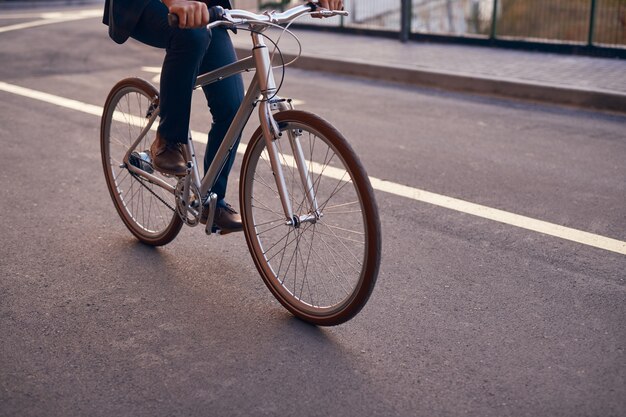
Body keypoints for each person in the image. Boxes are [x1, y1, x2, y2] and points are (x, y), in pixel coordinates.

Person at [103, 0, 342, 234]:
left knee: (233, 107)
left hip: (205, 8)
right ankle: (167, 140)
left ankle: (211, 202)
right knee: (191, 36)